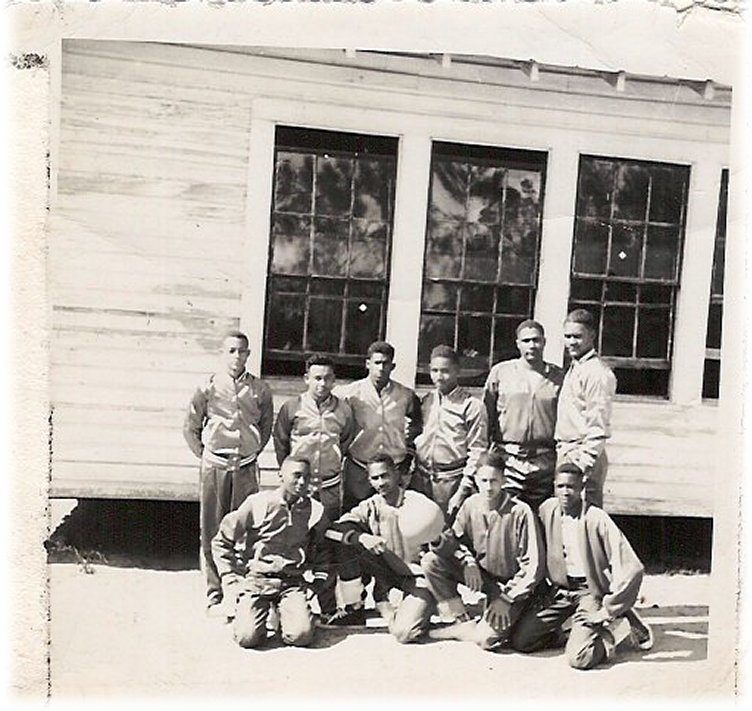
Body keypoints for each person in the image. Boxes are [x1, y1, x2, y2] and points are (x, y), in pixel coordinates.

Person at [510, 464, 653, 669]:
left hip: (589, 591)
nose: (566, 492)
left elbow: (633, 567)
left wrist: (607, 610)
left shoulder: (596, 518)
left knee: (579, 658)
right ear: (554, 487)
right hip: (560, 591)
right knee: (522, 642)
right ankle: (573, 633)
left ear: (582, 488)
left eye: (571, 487)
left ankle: (617, 628)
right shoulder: (547, 510)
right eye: (560, 486)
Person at [183, 330, 274, 612]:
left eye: (242, 351)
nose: (237, 356)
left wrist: (251, 451)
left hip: (245, 467)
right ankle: (215, 592)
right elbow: (191, 426)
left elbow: (266, 426)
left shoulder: (260, 389)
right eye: (231, 351)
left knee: (247, 528)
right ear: (222, 354)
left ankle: (244, 589)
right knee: (212, 528)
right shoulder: (207, 387)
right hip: (215, 467)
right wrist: (207, 455)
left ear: (248, 355)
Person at [421, 450, 543, 650]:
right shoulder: (471, 505)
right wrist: (467, 560)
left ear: (504, 480)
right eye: (484, 480)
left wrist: (506, 599)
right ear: (476, 480)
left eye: (494, 481)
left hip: (511, 589)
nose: (488, 487)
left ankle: (485, 625)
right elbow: (455, 541)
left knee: (487, 640)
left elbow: (533, 567)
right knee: (431, 561)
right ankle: (460, 620)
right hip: (484, 577)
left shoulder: (520, 511)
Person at [211, 456, 331, 649]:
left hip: (291, 583)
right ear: (280, 476)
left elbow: (324, 550)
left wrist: (317, 583)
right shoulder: (258, 503)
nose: (302, 482)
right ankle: (247, 610)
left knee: (301, 636)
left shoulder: (314, 510)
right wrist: (230, 577)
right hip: (258, 581)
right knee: (246, 638)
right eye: (297, 476)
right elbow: (221, 541)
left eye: (306, 477)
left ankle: (284, 613)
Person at [322, 453, 445, 642]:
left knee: (404, 634)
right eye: (375, 478)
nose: (381, 482)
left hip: (416, 578)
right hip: (388, 573)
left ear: (396, 474)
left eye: (385, 475)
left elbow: (445, 540)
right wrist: (362, 537)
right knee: (346, 542)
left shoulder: (417, 503)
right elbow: (333, 530)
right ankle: (354, 609)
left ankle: (404, 606)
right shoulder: (371, 505)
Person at [272, 353, 356, 615]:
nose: (322, 383)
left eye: (328, 378)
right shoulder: (291, 407)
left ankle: (328, 606)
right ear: (306, 378)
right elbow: (281, 443)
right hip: (300, 488)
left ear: (334, 380)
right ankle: (289, 602)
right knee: (294, 540)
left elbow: (346, 440)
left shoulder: (343, 409)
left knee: (327, 543)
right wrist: (292, 479)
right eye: (317, 378)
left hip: (329, 488)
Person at [483, 320, 563, 509]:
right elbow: (486, 416)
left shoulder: (559, 377)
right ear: (517, 343)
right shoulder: (501, 372)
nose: (532, 345)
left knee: (542, 518)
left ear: (544, 342)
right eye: (526, 341)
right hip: (508, 458)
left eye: (536, 340)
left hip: (545, 462)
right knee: (506, 516)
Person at [334, 341, 422, 512]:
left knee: (393, 517)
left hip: (393, 469)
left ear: (392, 365)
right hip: (360, 468)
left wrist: (408, 455)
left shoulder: (406, 395)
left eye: (386, 363)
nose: (381, 368)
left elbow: (417, 426)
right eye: (377, 363)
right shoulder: (350, 393)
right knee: (354, 515)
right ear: (368, 364)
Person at [413, 345, 488, 518]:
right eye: (434, 370)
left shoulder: (471, 406)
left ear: (457, 371)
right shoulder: (426, 401)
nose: (439, 377)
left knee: (448, 536)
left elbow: (478, 450)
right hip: (422, 479)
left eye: (445, 371)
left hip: (452, 482)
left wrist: (463, 490)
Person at [555, 309, 617, 508]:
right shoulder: (577, 367)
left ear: (592, 335)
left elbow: (598, 427)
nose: (571, 342)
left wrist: (581, 466)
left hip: (582, 456)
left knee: (584, 523)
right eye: (567, 336)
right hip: (566, 452)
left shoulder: (597, 373)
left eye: (577, 336)